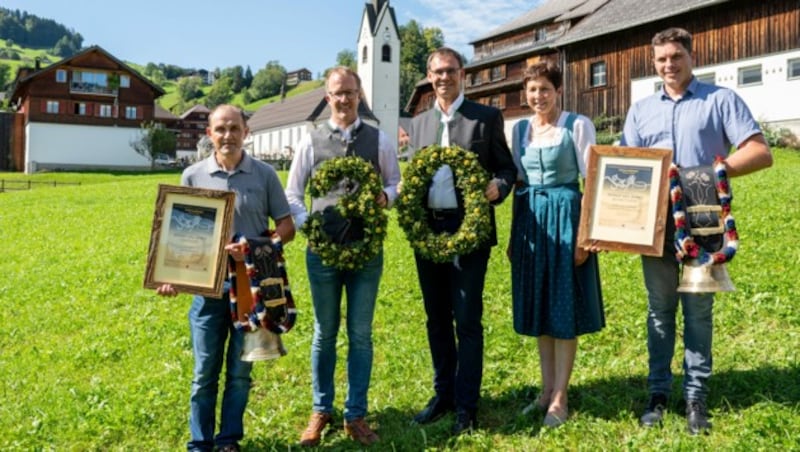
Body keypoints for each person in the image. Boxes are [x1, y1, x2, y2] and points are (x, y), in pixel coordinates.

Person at [620, 27, 772, 435]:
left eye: (676, 56)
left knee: (699, 313)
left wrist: (712, 172)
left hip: (704, 224)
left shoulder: (719, 99)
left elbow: (760, 151)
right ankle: (657, 393)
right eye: (661, 59)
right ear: (654, 63)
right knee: (659, 311)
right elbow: (626, 168)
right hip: (654, 226)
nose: (669, 64)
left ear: (691, 55)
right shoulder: (640, 111)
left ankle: (695, 397)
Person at [157, 104, 296, 451]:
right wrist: (170, 274)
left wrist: (253, 247)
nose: (227, 135)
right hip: (207, 291)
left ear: (245, 132)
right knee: (204, 373)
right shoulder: (192, 175)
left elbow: (287, 227)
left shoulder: (264, 175)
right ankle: (199, 444)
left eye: (234, 128)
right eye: (220, 129)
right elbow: (179, 234)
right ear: (209, 134)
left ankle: (228, 440)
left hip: (250, 291)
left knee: (239, 373)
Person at [285, 67, 401, 447]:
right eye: (338, 93)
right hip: (323, 253)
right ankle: (321, 410)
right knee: (324, 333)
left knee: (361, 335)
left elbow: (393, 181)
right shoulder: (311, 140)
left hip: (366, 251)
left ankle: (355, 413)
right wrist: (309, 225)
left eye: (350, 92)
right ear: (327, 95)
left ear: (359, 94)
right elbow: (292, 194)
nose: (344, 99)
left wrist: (388, 196)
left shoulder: (379, 139)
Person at [406, 47, 517, 435]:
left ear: (462, 73)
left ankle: (467, 405)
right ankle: (444, 395)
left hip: (469, 229)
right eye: (437, 72)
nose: (443, 78)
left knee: (467, 319)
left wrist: (498, 187)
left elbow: (507, 168)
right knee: (436, 318)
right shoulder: (418, 124)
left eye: (450, 71)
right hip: (428, 230)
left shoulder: (485, 118)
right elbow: (413, 176)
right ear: (429, 75)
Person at [507, 61, 605, 428]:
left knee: (563, 307)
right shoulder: (518, 130)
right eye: (532, 90)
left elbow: (592, 180)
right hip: (532, 222)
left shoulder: (577, 125)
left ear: (557, 90)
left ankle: (561, 396)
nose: (538, 97)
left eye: (545, 89)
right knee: (541, 308)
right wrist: (516, 237)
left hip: (566, 218)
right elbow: (518, 183)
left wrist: (585, 236)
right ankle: (545, 390)